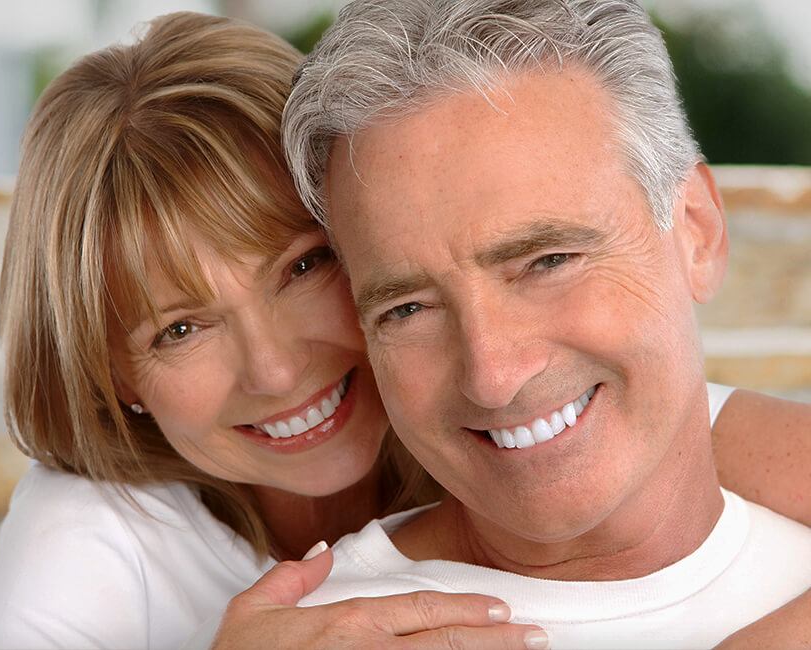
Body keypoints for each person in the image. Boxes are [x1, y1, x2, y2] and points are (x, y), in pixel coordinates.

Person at [0, 11, 811, 650]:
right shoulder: (87, 549)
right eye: (179, 328)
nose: (275, 366)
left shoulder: (574, 415)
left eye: (301, 269)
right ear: (112, 375)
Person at [263, 0, 811, 648]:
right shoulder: (329, 633)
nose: (492, 376)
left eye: (547, 262)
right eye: (407, 308)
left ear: (696, 231)